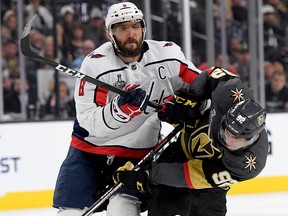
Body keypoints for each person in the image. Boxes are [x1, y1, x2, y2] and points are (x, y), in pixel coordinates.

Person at [52, 2, 201, 216]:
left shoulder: (168, 56)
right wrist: (120, 109)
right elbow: (88, 121)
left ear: (143, 28)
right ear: (110, 34)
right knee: (69, 213)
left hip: (137, 154)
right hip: (89, 152)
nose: (131, 33)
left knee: (122, 208)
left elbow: (199, 87)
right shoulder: (96, 65)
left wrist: (187, 105)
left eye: (135, 26)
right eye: (123, 28)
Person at [113, 67, 269, 216]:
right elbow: (211, 74)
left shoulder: (247, 164)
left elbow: (190, 175)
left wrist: (148, 175)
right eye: (226, 132)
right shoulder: (229, 94)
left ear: (253, 139)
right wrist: (192, 99)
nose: (227, 140)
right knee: (162, 202)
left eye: (236, 139)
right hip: (180, 152)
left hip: (208, 187)